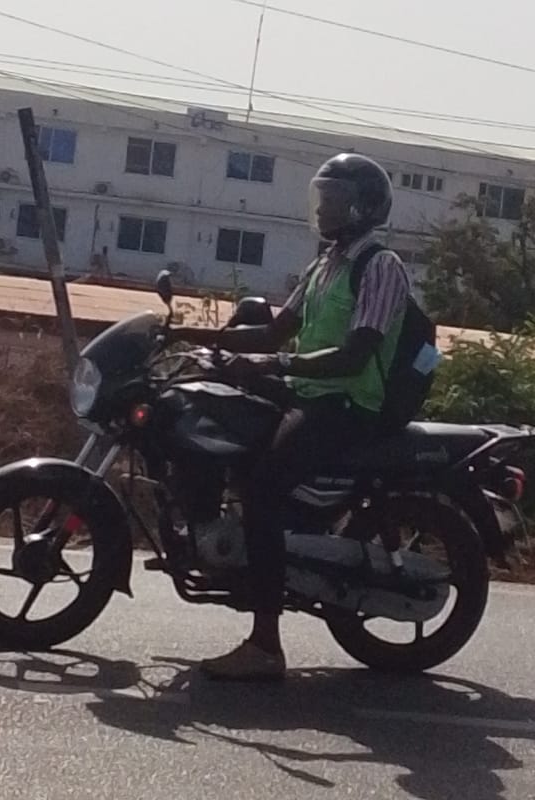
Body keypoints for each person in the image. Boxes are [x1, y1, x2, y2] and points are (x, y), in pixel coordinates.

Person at [172, 153, 410, 681]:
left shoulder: (379, 266)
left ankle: (265, 647)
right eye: (321, 198)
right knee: (223, 431)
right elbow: (275, 332)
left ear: (363, 207)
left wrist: (275, 365)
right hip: (307, 394)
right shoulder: (325, 264)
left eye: (334, 199)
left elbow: (355, 355)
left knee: (263, 492)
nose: (322, 209)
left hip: (345, 404)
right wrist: (192, 336)